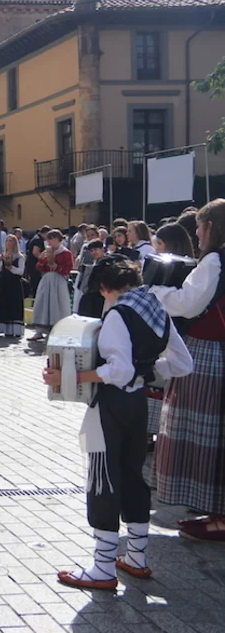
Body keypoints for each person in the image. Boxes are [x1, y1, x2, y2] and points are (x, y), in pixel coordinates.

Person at [45, 258, 192, 588]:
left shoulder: (117, 314)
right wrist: (147, 371)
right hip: (138, 404)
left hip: (110, 404)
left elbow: (119, 370)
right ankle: (136, 556)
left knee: (103, 479)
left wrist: (71, 376)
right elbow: (183, 363)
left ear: (105, 288)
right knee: (132, 476)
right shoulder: (155, 309)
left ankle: (103, 567)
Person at [147, 199, 225, 542]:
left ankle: (219, 515)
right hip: (215, 350)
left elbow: (188, 304)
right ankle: (217, 510)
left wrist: (156, 292)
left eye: (200, 226)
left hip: (209, 352)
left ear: (211, 227)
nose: (196, 233)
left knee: (203, 431)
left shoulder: (215, 260)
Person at [29, 230, 74, 341]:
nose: (49, 242)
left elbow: (68, 268)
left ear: (58, 239)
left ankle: (56, 329)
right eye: (48, 239)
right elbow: (39, 267)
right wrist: (41, 260)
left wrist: (57, 267)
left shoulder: (66, 253)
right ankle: (39, 330)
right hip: (46, 280)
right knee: (42, 303)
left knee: (57, 305)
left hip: (59, 280)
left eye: (51, 239)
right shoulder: (47, 252)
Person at [0, 234, 27, 338]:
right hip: (4, 283)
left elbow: (21, 271)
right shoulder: (2, 255)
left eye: (11, 241)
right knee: (4, 305)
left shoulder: (20, 257)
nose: (8, 243)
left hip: (14, 283)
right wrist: (0, 261)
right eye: (7, 241)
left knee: (14, 306)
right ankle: (5, 329)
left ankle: (16, 329)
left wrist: (11, 268)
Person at [75, 241, 108, 319]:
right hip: (91, 296)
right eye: (91, 251)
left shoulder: (108, 262)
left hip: (102, 296)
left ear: (102, 249)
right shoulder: (93, 263)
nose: (93, 252)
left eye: (95, 249)